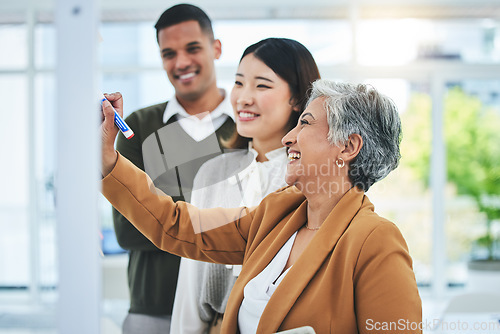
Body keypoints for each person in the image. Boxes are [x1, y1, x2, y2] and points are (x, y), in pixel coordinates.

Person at [100, 79, 422, 333]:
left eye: (305, 124)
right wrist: (108, 160)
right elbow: (176, 225)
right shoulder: (277, 214)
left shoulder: (376, 242)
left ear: (348, 146)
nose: (288, 138)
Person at [170, 38, 321, 333]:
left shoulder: (313, 180)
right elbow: (189, 286)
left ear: (298, 100)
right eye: (239, 83)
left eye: (262, 85)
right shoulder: (211, 174)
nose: (243, 98)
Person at [111, 4, 235, 333]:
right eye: (169, 53)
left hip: (230, 307)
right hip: (153, 310)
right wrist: (220, 212)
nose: (181, 63)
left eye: (192, 48)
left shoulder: (248, 126)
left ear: (216, 48)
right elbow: (127, 228)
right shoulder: (137, 126)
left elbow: (259, 217)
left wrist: (160, 200)